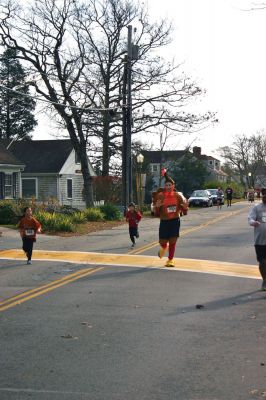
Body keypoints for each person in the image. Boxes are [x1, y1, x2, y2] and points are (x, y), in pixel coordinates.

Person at [152, 170, 188, 267]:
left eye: (170, 185)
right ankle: (164, 247)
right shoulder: (160, 196)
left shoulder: (178, 195)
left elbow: (184, 207)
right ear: (165, 186)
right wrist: (157, 206)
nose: (168, 187)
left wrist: (185, 207)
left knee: (173, 241)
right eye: (166, 185)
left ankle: (170, 260)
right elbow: (155, 211)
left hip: (175, 220)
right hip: (164, 221)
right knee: (162, 242)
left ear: (173, 186)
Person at [248, 187, 266, 290]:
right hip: (260, 241)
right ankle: (264, 280)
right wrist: (253, 222)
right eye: (263, 195)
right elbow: (250, 218)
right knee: (262, 262)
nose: (265, 196)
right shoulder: (257, 208)